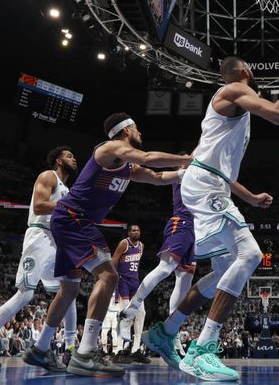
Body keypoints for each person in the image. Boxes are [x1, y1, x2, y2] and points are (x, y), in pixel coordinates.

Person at [143, 58, 279, 381]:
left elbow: (213, 164)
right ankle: (202, 350)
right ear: (245, 70)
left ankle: (165, 331)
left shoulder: (229, 113)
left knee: (221, 274)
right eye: (252, 67)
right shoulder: (234, 90)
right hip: (205, 185)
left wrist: (250, 197)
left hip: (209, 183)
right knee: (251, 255)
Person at [23, 113, 191, 377]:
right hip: (74, 219)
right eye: (137, 128)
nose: (141, 133)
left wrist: (185, 173)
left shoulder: (128, 167)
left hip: (70, 222)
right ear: (124, 131)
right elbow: (148, 158)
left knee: (69, 290)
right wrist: (189, 159)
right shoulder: (108, 148)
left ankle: (40, 348)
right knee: (109, 276)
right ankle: (85, 353)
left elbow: (158, 177)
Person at [0, 146, 79, 369]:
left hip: (57, 242)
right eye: (69, 156)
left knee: (69, 292)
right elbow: (39, 206)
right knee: (25, 295)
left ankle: (71, 350)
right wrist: (70, 208)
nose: (75, 159)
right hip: (40, 237)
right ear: (58, 160)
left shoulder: (68, 188)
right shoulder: (48, 176)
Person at [118, 159, 196, 356]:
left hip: (195, 229)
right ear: (180, 166)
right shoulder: (182, 175)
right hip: (182, 223)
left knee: (186, 276)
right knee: (165, 268)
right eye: (187, 161)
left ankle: (172, 330)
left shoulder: (196, 176)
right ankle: (129, 312)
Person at [110, 224, 150, 363]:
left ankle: (136, 349)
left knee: (141, 313)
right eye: (133, 230)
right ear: (128, 232)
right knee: (125, 315)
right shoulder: (123, 244)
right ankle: (119, 350)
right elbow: (113, 261)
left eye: (138, 230)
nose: (136, 232)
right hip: (123, 282)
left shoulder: (141, 246)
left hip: (135, 282)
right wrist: (114, 281)